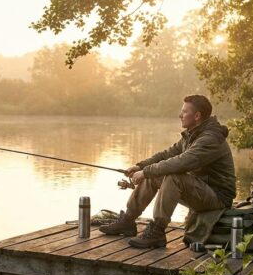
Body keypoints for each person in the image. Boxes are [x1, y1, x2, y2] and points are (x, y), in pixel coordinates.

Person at [99, 95, 236, 248]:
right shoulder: (192, 134)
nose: (180, 115)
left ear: (197, 116)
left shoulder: (210, 139)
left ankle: (157, 231)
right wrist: (141, 167)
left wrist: (146, 172)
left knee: (173, 176)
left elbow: (181, 162)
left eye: (184, 112)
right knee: (154, 174)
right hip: (201, 190)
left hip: (218, 197)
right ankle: (128, 221)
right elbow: (167, 155)